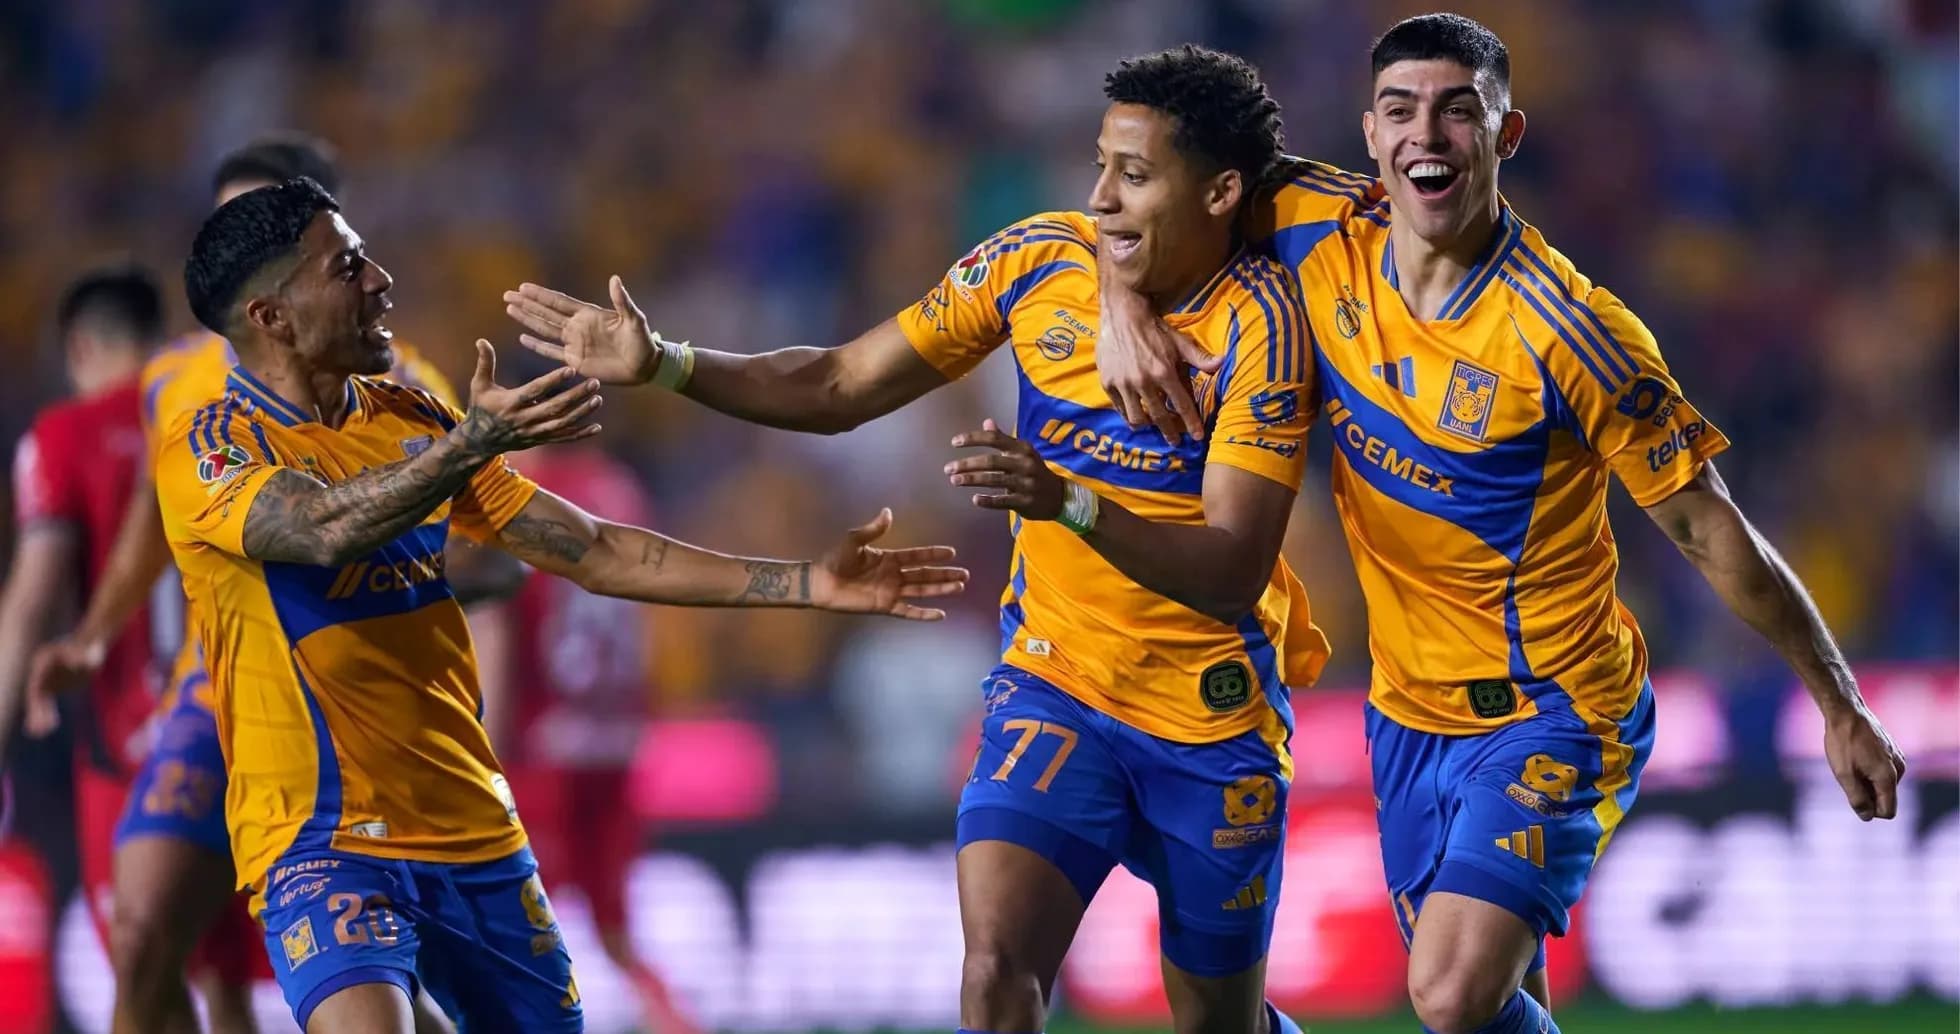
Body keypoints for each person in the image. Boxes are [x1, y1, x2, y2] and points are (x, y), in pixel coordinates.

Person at [1092, 15, 1907, 1034]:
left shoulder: (1571, 332)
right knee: (1486, 1014)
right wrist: (1120, 306)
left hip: (1553, 707)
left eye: (1455, 112)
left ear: (1503, 134)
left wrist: (1837, 702)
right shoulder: (1306, 220)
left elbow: (1707, 528)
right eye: (1399, 111)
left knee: (1448, 991)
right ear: (1370, 132)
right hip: (1406, 712)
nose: (1424, 134)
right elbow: (1136, 197)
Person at [507, 45, 1321, 1034]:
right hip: (1055, 685)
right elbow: (842, 381)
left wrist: (1069, 503)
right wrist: (670, 362)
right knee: (993, 972)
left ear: (1220, 191)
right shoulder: (1034, 262)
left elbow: (1234, 570)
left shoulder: (1266, 329)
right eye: (1099, 165)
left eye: (1136, 175)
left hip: (1209, 715)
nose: (1101, 197)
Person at [167, 176, 964, 1033]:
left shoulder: (407, 415)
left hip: (474, 831)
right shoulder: (211, 446)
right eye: (347, 266)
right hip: (320, 838)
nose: (379, 280)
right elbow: (321, 530)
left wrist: (805, 583)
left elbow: (595, 548)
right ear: (273, 318)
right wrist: (469, 444)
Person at [29, 132, 505, 1034]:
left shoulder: (402, 381)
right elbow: (149, 525)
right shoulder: (176, 375)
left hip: (348, 713)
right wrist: (93, 634)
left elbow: (488, 543)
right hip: (215, 697)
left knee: (359, 986)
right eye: (223, 224)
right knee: (141, 936)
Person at [478, 439, 699, 1034]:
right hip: (615, 739)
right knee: (615, 930)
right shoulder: (620, 489)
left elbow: (495, 630)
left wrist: (482, 754)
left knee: (502, 926)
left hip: (544, 746)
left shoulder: (513, 493)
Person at [0, 263, 164, 1020]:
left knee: (142, 975)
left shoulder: (64, 435)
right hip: (245, 738)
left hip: (128, 754)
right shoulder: (218, 415)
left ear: (80, 346)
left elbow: (33, 600)